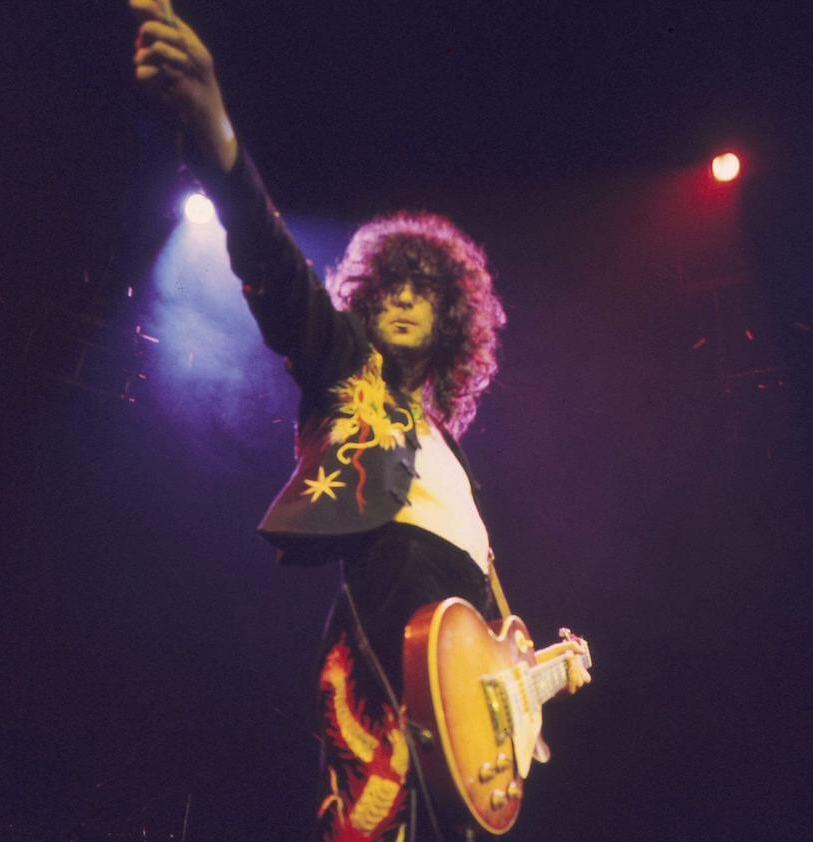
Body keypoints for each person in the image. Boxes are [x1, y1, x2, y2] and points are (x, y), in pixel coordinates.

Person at [129, 4, 587, 838]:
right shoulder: (346, 369)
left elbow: (494, 640)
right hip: (391, 630)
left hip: (467, 669)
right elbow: (271, 263)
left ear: (452, 317)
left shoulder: (451, 452)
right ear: (370, 298)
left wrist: (547, 672)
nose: (406, 296)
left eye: (425, 288)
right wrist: (214, 128)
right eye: (392, 285)